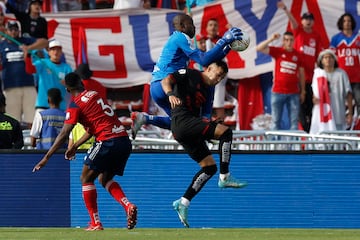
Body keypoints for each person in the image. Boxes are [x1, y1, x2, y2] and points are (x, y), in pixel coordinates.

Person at [32, 72, 137, 231]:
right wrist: (75, 146)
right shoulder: (95, 95)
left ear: (67, 89)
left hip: (107, 140)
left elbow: (64, 133)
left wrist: (46, 157)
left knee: (85, 177)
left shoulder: (75, 104)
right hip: (123, 140)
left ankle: (95, 223)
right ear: (81, 83)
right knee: (104, 178)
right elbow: (93, 128)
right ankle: (128, 205)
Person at [161, 60, 247, 228]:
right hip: (182, 122)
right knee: (226, 132)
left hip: (186, 128)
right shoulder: (192, 74)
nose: (218, 78)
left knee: (209, 167)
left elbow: (199, 117)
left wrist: (212, 124)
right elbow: (166, 80)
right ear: (209, 69)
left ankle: (183, 202)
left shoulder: (207, 91)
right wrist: (170, 94)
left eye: (222, 76)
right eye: (217, 73)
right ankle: (225, 177)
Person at [131, 13, 243, 139]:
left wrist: (227, 47)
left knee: (181, 123)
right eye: (192, 24)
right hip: (169, 84)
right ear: (183, 26)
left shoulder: (177, 39)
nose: (194, 28)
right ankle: (205, 124)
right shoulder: (181, 37)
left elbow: (210, 60)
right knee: (201, 99)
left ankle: (144, 118)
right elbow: (204, 60)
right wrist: (224, 40)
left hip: (157, 88)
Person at [277, 1, 324, 132]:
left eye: (310, 19)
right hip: (296, 80)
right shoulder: (298, 32)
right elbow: (293, 22)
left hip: (310, 80)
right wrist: (286, 9)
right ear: (302, 21)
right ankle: (305, 133)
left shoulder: (316, 36)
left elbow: (319, 59)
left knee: (311, 109)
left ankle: (310, 134)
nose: (308, 21)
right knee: (299, 112)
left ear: (313, 22)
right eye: (305, 19)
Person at [0, 20, 48, 128]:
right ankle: (12, 142)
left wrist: (29, 48)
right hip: (10, 86)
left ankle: (32, 141)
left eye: (15, 29)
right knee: (11, 119)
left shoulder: (25, 40)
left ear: (19, 31)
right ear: (6, 31)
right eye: (11, 29)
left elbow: (45, 42)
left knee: (32, 117)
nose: (13, 32)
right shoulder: (2, 45)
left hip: (28, 85)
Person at [256, 32, 306, 130]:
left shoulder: (298, 55)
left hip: (293, 93)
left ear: (294, 41)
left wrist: (303, 91)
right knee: (275, 121)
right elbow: (259, 48)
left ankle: (294, 145)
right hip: (278, 92)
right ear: (283, 41)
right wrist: (271, 39)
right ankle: (275, 144)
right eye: (286, 40)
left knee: (294, 122)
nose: (289, 42)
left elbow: (302, 74)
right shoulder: (278, 51)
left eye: (291, 40)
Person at [310, 49, 353, 133]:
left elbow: (349, 94)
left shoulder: (341, 73)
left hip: (338, 115)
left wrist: (350, 114)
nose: (328, 59)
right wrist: (314, 98)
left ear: (334, 60)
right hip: (323, 117)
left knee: (339, 143)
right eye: (325, 57)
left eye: (330, 57)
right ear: (321, 61)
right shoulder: (318, 74)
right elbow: (315, 93)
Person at [330, 13, 360, 122]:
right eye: (345, 21)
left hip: (356, 76)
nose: (347, 23)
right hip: (341, 76)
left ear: (352, 23)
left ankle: (358, 126)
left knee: (359, 100)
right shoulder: (336, 38)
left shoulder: (358, 37)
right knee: (339, 103)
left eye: (349, 21)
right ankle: (340, 125)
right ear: (341, 23)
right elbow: (331, 58)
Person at [32, 39, 72, 112]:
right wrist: (28, 55)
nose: (55, 52)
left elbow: (72, 86)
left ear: (61, 52)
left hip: (61, 107)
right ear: (49, 52)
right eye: (53, 50)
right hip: (43, 105)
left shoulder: (67, 68)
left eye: (58, 50)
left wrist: (67, 84)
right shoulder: (42, 63)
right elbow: (30, 70)